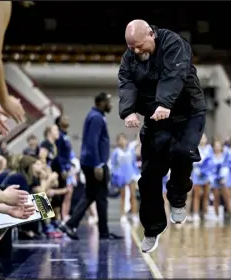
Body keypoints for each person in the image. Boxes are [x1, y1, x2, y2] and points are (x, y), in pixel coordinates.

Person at [118, 20, 206, 253]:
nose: (136, 51)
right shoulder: (130, 56)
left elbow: (174, 74)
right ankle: (153, 228)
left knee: (182, 152)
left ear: (151, 34)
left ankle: (177, 198)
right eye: (131, 48)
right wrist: (128, 110)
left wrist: (165, 103)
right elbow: (126, 82)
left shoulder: (174, 44)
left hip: (188, 112)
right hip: (156, 118)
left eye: (138, 46)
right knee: (148, 177)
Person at [60, 92, 123, 240]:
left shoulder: (96, 116)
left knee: (93, 196)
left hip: (92, 163)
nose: (111, 104)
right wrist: (98, 165)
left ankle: (78, 226)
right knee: (98, 197)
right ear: (101, 102)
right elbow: (92, 142)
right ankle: (98, 231)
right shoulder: (96, 118)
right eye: (109, 101)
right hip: (95, 164)